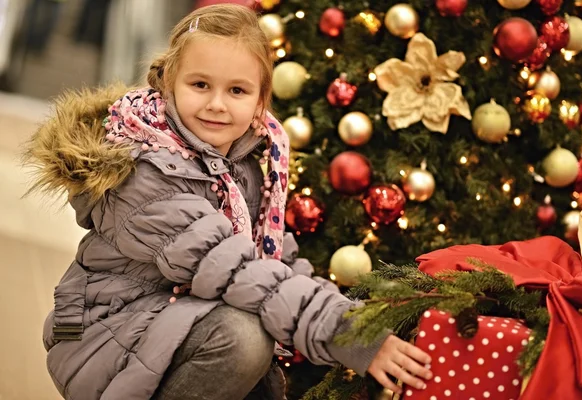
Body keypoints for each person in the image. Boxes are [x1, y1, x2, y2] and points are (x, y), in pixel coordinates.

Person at [24, 4, 432, 399]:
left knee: (257, 330)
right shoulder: (143, 171)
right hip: (107, 334)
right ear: (167, 83)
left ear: (260, 101)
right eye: (200, 85)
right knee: (244, 338)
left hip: (171, 320)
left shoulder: (241, 169)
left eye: (237, 90)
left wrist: (363, 322)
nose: (217, 104)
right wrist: (348, 336)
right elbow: (234, 268)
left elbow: (277, 264)